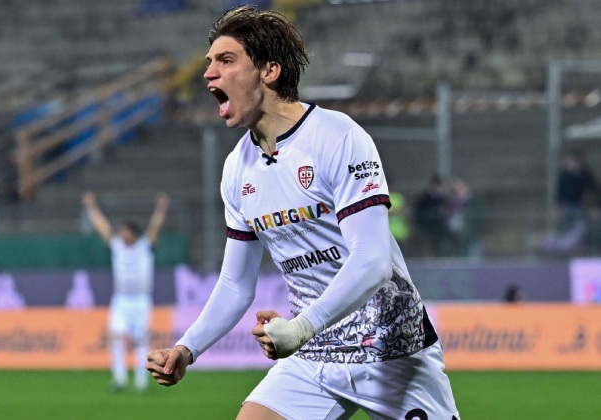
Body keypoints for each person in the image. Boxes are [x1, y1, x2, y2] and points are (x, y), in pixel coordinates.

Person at [146, 6, 459, 419]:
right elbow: (236, 284)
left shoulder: (337, 137)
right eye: (209, 62)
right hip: (314, 354)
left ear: (269, 71)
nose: (209, 73)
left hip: (391, 350)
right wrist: (187, 348)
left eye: (226, 60)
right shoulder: (237, 169)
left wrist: (300, 327)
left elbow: (373, 260)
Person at [83, 191, 170, 392]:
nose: (121, 234)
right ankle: (120, 379)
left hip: (141, 300)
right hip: (121, 300)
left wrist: (161, 209)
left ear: (132, 233)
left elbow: (155, 227)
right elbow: (103, 227)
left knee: (141, 341)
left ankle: (141, 381)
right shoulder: (117, 246)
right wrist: (91, 207)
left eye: (124, 231)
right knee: (116, 337)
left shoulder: (144, 246)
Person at [414, 175, 451, 257]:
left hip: (440, 225)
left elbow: (448, 209)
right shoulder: (424, 198)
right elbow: (419, 211)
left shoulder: (443, 197)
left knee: (439, 243)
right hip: (427, 226)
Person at [446, 178, 482, 258]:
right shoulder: (453, 202)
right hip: (455, 232)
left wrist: (466, 213)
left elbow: (477, 215)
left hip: (470, 231)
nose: (459, 193)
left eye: (460, 190)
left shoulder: (472, 200)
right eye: (456, 191)